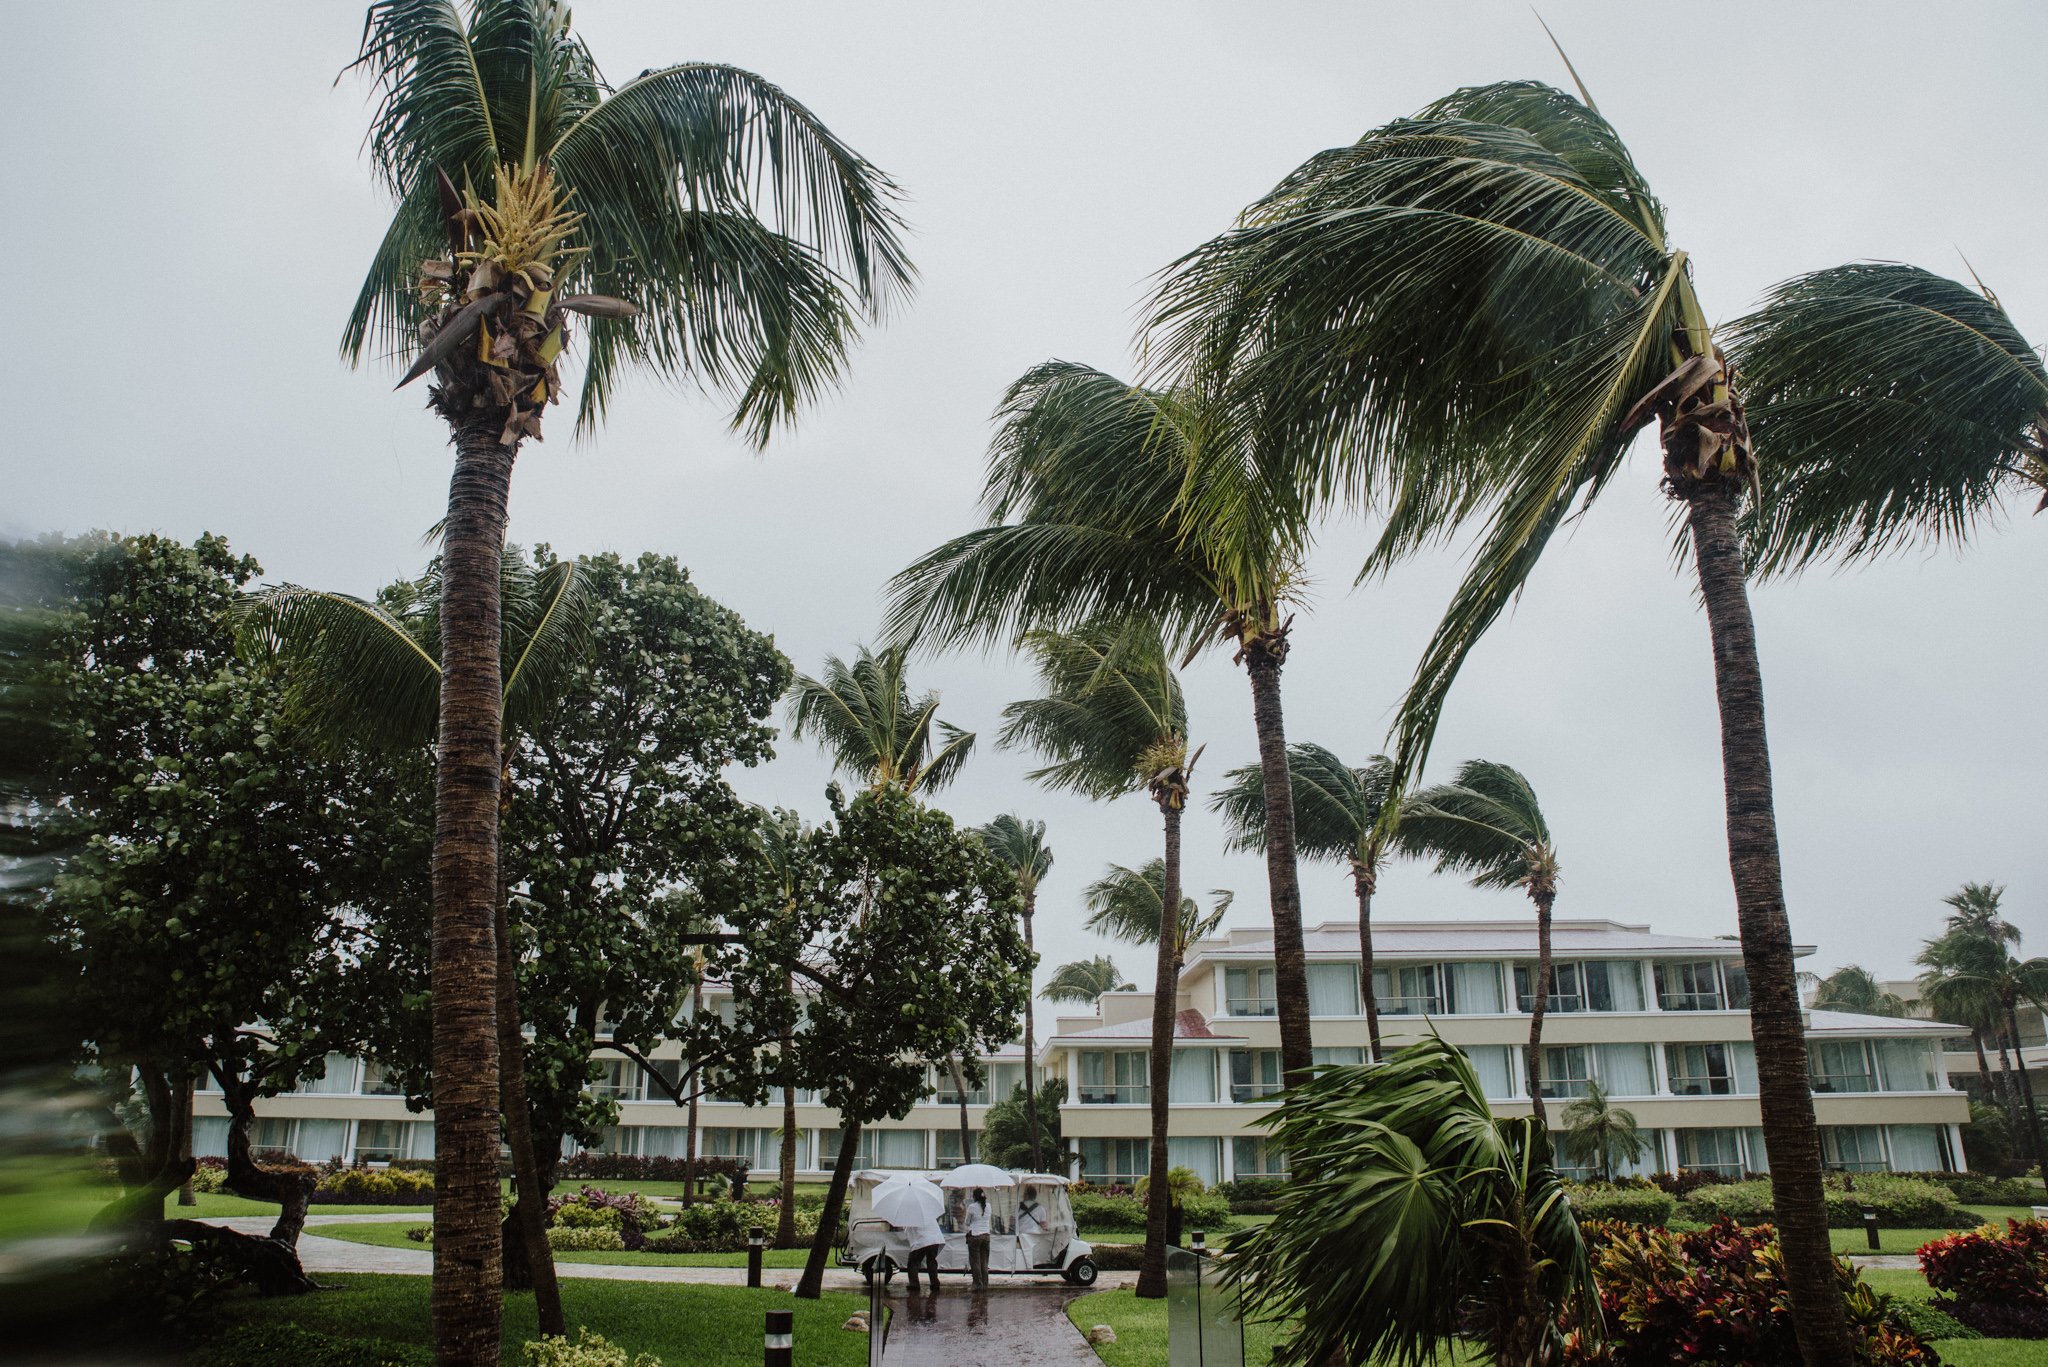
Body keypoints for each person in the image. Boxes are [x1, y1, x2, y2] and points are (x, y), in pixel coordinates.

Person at [902, 1208, 944, 1296]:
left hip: (922, 1241)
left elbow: (908, 1231)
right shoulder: (927, 1210)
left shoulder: (910, 1215)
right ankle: (935, 1283)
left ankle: (914, 1284)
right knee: (931, 1261)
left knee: (913, 1262)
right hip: (935, 1239)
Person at [964, 1186, 992, 1288]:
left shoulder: (971, 1207)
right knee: (984, 1262)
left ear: (974, 1197)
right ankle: (985, 1285)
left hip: (975, 1236)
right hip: (986, 1236)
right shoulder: (988, 1206)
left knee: (975, 1262)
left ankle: (977, 1284)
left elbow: (967, 1222)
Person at [1017, 1184, 1051, 1268]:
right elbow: (1044, 1225)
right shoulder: (1040, 1208)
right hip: (1035, 1235)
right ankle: (1041, 1263)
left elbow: (1012, 1221)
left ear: (1027, 1195)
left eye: (1024, 1194)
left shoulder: (1018, 1206)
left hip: (1021, 1235)